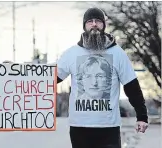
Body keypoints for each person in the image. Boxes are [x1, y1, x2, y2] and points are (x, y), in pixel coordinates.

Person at [56, 7, 148, 148]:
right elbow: (50, 79)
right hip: (79, 127)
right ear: (84, 26)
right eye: (90, 21)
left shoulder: (117, 53)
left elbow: (131, 86)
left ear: (104, 25)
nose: (94, 24)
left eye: (98, 21)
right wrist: (19, 77)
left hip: (109, 128)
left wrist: (142, 116)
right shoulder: (71, 54)